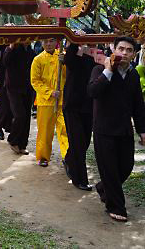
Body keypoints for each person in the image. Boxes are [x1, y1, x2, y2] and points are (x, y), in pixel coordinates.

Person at [88, 36, 145, 223]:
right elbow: (92, 92)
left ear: (134, 54)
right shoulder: (99, 70)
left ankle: (103, 188)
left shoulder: (132, 75)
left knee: (126, 167)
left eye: (129, 50)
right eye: (121, 48)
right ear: (113, 49)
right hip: (103, 129)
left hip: (124, 129)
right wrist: (108, 71)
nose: (124, 53)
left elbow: (138, 104)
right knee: (110, 170)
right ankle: (116, 206)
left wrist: (142, 129)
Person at [62, 41, 97, 190]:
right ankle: (80, 179)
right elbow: (69, 61)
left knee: (84, 142)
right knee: (77, 142)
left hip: (89, 106)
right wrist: (75, 44)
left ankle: (69, 160)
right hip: (72, 106)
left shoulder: (97, 59)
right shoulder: (75, 57)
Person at [30, 37, 69, 167]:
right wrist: (50, 92)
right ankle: (43, 156)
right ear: (41, 43)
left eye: (51, 40)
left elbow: (68, 75)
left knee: (64, 129)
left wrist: (64, 63)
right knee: (45, 131)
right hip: (45, 101)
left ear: (56, 42)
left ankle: (67, 156)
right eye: (45, 41)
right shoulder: (38, 59)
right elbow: (35, 81)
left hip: (62, 100)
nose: (48, 43)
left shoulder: (62, 56)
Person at [4, 42, 36, 154]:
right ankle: (13, 140)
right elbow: (5, 62)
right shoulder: (13, 49)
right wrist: (11, 47)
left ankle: (22, 144)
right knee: (19, 115)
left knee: (27, 116)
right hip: (13, 88)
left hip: (28, 88)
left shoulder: (31, 52)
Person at [0, 45, 12, 140]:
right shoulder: (5, 44)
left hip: (15, 74)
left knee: (13, 104)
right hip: (4, 75)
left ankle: (9, 127)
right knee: (3, 102)